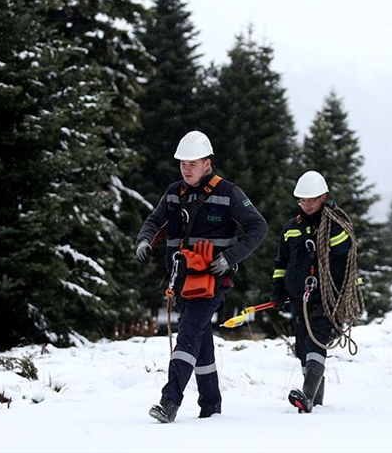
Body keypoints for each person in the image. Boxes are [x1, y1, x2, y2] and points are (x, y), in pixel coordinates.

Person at [135, 130, 268, 423]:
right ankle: (211, 405)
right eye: (183, 163)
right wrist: (145, 240)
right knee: (200, 339)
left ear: (207, 163)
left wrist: (229, 258)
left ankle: (169, 401)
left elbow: (258, 227)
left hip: (211, 282)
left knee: (187, 337)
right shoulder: (173, 192)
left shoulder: (229, 192)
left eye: (193, 163)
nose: (187, 168)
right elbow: (155, 221)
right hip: (179, 281)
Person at [270, 170, 354, 413]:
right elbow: (281, 263)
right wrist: (278, 289)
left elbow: (346, 258)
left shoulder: (335, 227)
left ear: (324, 197)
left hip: (325, 299)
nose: (306, 205)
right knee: (303, 347)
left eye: (311, 200)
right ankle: (315, 401)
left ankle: (306, 397)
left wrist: (337, 294)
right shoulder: (291, 228)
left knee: (317, 342)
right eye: (302, 200)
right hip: (298, 297)